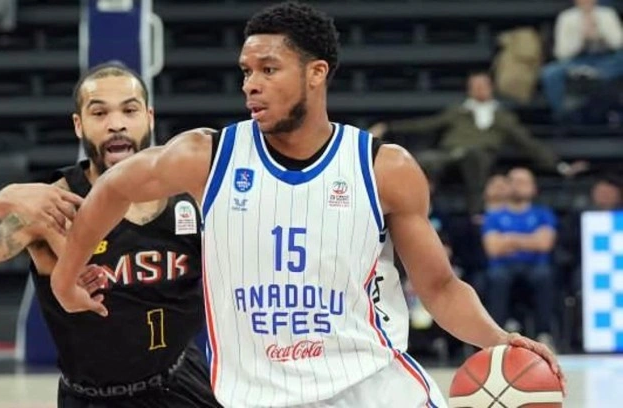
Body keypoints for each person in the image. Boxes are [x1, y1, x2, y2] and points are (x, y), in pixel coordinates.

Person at [52, 3, 566, 407]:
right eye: (246, 71)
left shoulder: (384, 168)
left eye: (269, 69)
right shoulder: (205, 157)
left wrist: (498, 339)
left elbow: (439, 287)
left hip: (374, 390)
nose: (251, 84)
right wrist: (65, 277)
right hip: (258, 397)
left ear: (316, 72)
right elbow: (113, 188)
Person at [0, 62, 220, 408]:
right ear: (79, 124)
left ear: (149, 118)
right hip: (94, 397)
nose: (116, 123)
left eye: (129, 110)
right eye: (99, 113)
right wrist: (0, 202)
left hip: (182, 379)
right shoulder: (52, 207)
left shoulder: (189, 194)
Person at [369, 72, 587, 217]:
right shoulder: (458, 111)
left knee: (475, 157)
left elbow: (528, 143)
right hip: (450, 154)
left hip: (479, 156)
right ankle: (420, 207)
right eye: (475, 86)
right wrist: (389, 127)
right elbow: (426, 124)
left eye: (482, 85)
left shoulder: (503, 117)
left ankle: (476, 212)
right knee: (424, 160)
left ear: (490, 87)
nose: (479, 89)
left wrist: (559, 166)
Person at [482, 168, 558, 349]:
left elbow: (544, 243)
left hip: (535, 267)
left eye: (524, 182)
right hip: (503, 268)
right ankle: (497, 336)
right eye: (514, 181)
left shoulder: (543, 214)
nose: (518, 186)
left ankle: (544, 333)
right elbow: (493, 248)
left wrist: (508, 239)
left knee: (544, 276)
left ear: (534, 188)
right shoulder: (494, 216)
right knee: (497, 277)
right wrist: (530, 240)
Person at [541, 0, 623, 120]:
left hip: (605, 60)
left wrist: (600, 33)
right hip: (576, 61)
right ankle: (562, 115)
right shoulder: (566, 17)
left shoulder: (607, 14)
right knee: (550, 73)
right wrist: (581, 39)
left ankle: (594, 74)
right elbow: (561, 53)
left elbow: (619, 43)